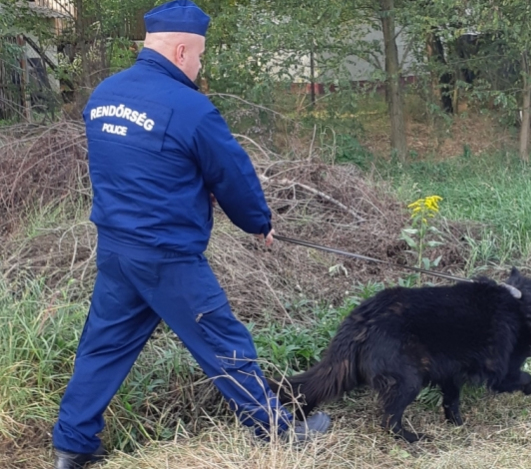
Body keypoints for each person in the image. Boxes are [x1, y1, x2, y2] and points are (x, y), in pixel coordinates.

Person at [52, 2, 330, 467]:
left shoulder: (103, 94)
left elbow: (134, 166)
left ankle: (71, 446)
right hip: (168, 258)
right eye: (199, 56)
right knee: (225, 342)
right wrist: (259, 223)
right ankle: (277, 431)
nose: (200, 67)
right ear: (181, 50)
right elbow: (233, 176)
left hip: (117, 250)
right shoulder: (191, 108)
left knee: (102, 348)